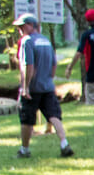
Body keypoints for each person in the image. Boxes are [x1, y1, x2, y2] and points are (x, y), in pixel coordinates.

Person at [14, 15, 73, 159]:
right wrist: (48, 80)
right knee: (54, 115)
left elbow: (29, 66)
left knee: (27, 119)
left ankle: (24, 149)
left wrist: (25, 87)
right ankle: (64, 143)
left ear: (30, 25)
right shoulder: (46, 41)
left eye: (22, 26)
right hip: (47, 86)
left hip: (33, 88)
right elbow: (54, 65)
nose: (20, 30)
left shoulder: (27, 41)